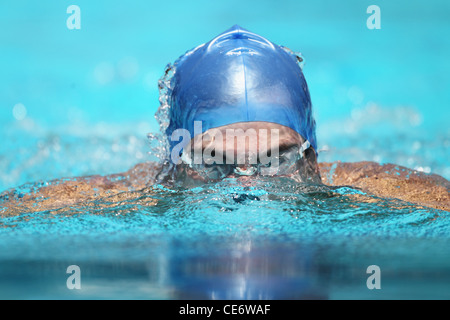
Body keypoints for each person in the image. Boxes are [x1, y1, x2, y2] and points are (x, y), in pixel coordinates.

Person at [1, 26, 449, 215]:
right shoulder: (130, 193)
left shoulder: (365, 183)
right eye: (213, 161)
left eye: (276, 160)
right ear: (171, 165)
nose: (244, 187)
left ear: (312, 159)